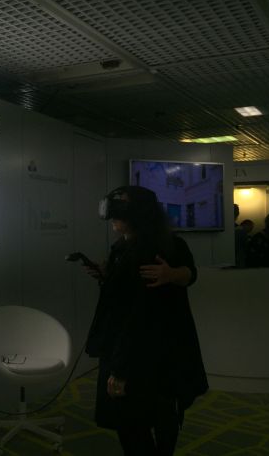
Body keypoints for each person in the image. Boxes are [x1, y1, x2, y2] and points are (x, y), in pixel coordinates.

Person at [84, 186, 208, 456]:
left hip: (146, 352)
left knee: (140, 421)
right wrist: (108, 276)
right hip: (134, 348)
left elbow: (141, 313)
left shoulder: (161, 247)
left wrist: (121, 369)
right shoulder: (122, 247)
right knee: (143, 418)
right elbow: (126, 298)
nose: (113, 218)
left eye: (120, 212)